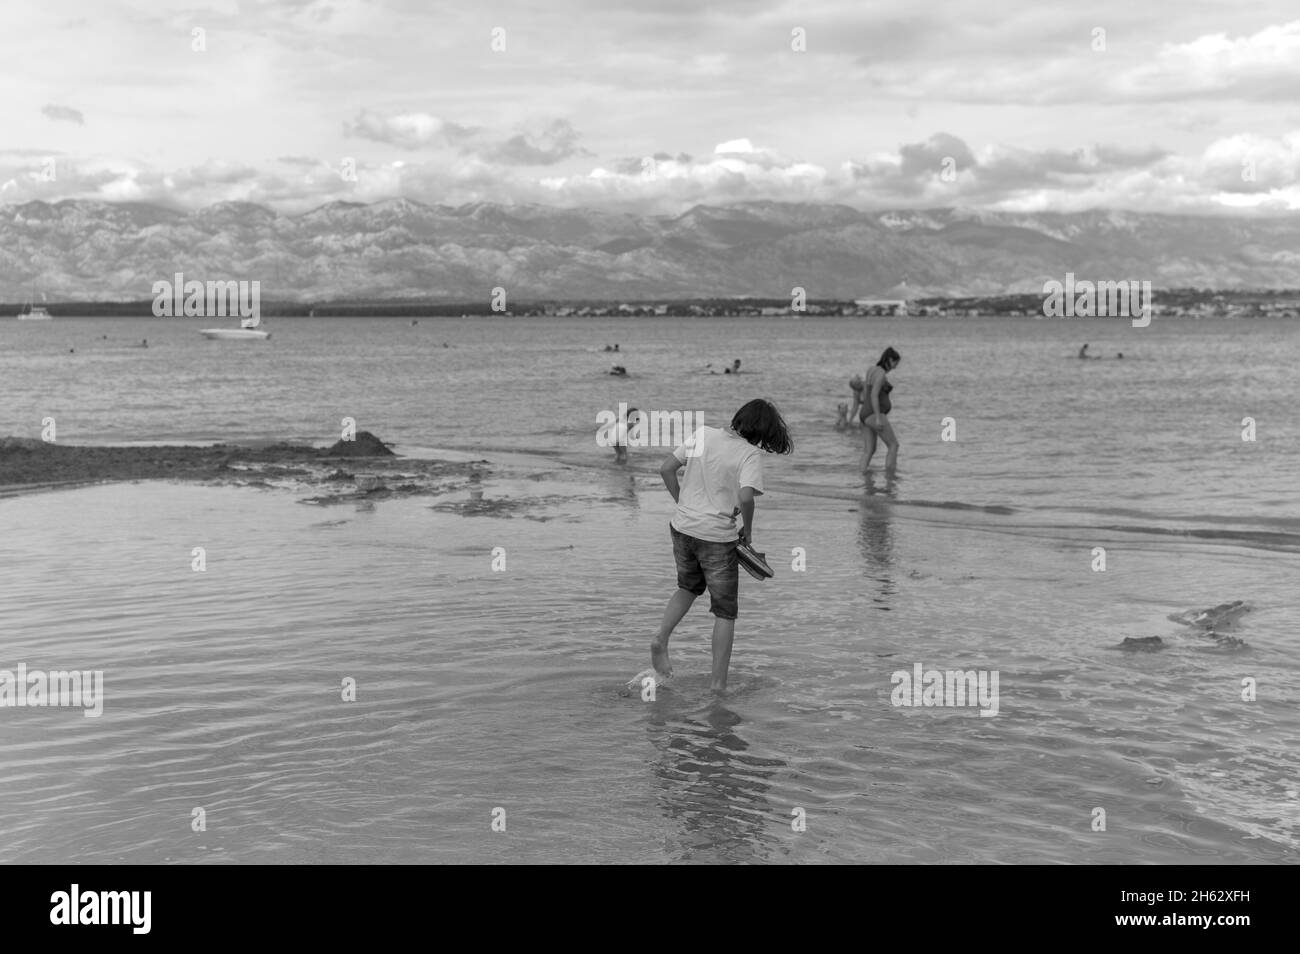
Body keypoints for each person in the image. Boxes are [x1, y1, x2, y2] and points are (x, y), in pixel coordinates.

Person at [651, 398, 794, 693]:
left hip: (682, 528)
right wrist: (749, 532)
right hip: (717, 536)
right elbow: (744, 498)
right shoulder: (749, 454)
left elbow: (666, 469)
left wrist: (685, 504)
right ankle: (718, 686)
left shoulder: (703, 434)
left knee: (688, 587)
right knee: (725, 612)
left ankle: (661, 638)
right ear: (763, 432)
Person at [861, 347, 900, 472]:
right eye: (895, 363)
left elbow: (865, 392)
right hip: (873, 414)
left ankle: (862, 476)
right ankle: (890, 478)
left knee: (869, 450)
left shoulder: (871, 370)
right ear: (889, 360)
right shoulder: (881, 374)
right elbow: (873, 395)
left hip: (864, 413)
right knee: (893, 445)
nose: (896, 366)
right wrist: (878, 417)